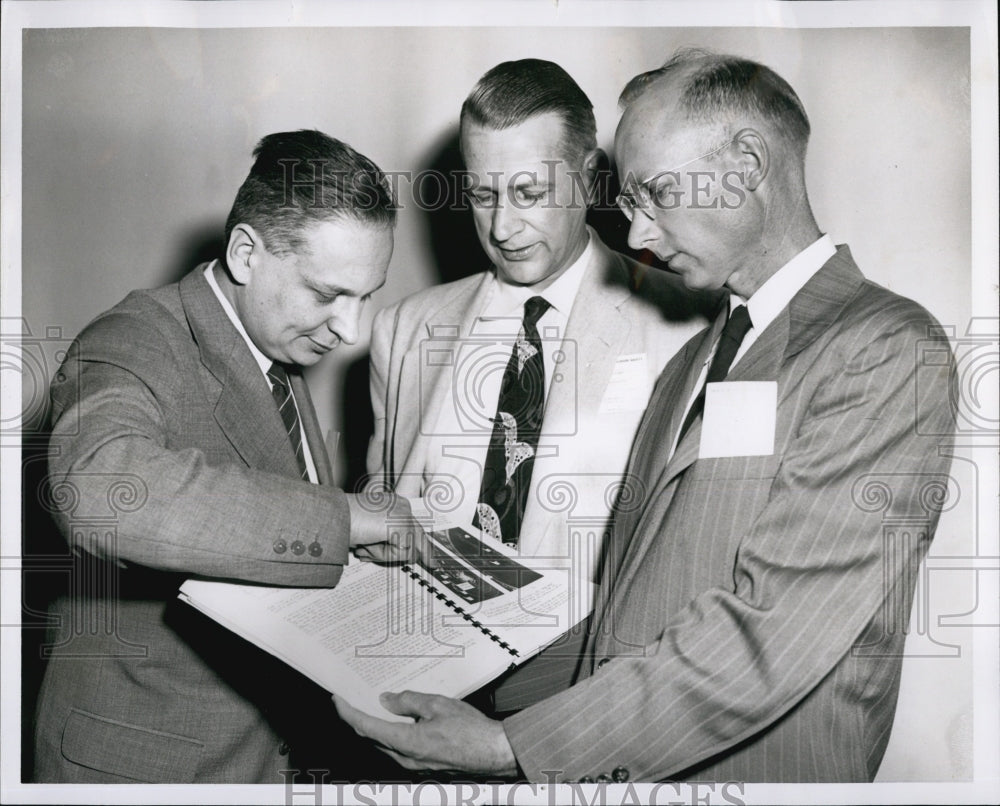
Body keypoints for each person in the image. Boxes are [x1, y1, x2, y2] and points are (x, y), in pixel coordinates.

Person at [336, 51, 957, 782]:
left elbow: (769, 636)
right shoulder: (700, 354)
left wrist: (515, 748)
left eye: (657, 193)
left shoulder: (882, 347)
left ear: (748, 163)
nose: (634, 236)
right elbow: (631, 604)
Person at [33, 130, 425, 783]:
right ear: (246, 253)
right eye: (328, 294)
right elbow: (101, 491)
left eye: (367, 295)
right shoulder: (130, 340)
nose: (351, 329)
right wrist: (345, 520)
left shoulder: (276, 349)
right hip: (146, 774)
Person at [365, 58, 716, 714]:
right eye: (481, 193)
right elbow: (383, 516)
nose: (500, 228)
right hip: (420, 689)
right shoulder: (405, 330)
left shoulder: (686, 328)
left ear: (587, 181)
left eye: (526, 193)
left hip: (586, 703)